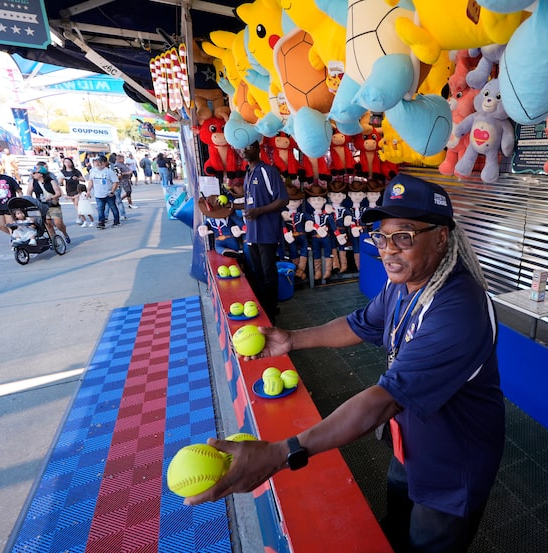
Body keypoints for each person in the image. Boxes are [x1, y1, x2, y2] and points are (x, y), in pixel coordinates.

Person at [186, 175, 504, 553]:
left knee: (426, 544)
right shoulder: (403, 284)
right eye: (382, 237)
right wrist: (293, 339)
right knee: (396, 525)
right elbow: (361, 325)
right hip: (412, 439)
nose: (388, 250)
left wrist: (280, 453)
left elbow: (385, 399)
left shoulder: (458, 310)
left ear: (440, 237)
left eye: (404, 236)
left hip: (453, 460)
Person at [239, 141, 288, 323]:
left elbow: (282, 200)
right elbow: (249, 202)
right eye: (242, 147)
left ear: (258, 149)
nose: (244, 150)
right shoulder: (248, 173)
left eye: (248, 147)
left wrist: (259, 211)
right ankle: (264, 308)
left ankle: (271, 312)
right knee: (257, 273)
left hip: (266, 231)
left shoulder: (268, 171)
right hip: (252, 233)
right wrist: (229, 206)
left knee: (269, 274)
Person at [30, 166, 71, 243]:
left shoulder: (51, 181)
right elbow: (29, 193)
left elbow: (58, 193)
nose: (33, 174)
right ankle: (54, 241)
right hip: (42, 206)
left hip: (53, 205)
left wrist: (51, 197)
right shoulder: (33, 182)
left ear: (41, 174)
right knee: (48, 224)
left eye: (35, 173)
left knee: (58, 224)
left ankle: (65, 234)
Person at [86, 155, 120, 229]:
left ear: (105, 163)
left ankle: (116, 221)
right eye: (97, 162)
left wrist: (112, 191)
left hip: (108, 194)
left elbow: (115, 182)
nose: (98, 164)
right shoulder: (93, 171)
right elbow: (91, 181)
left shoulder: (109, 172)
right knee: (100, 209)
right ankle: (101, 222)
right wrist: (88, 190)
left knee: (113, 208)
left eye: (100, 162)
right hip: (98, 194)